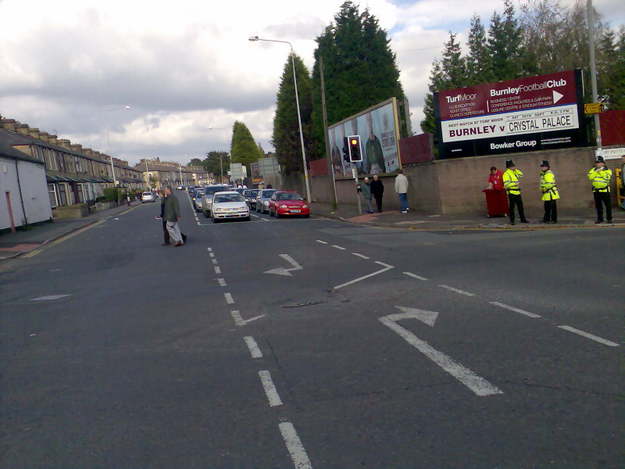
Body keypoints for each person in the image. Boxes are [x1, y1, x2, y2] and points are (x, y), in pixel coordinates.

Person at [587, 156, 612, 224]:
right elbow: (590, 177)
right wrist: (596, 172)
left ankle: (609, 219)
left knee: (608, 206)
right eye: (597, 163)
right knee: (598, 206)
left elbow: (606, 178)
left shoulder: (608, 170)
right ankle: (600, 219)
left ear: (603, 163)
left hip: (605, 191)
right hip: (596, 191)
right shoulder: (593, 170)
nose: (598, 164)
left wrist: (600, 172)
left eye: (600, 163)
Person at [502, 160, 528, 225]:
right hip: (511, 192)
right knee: (512, 207)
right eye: (513, 166)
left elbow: (521, 175)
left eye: (514, 166)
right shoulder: (506, 174)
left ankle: (523, 219)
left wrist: (516, 170)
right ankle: (512, 220)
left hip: (517, 192)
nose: (514, 167)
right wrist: (515, 183)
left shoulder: (514, 172)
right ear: (509, 167)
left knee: (520, 207)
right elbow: (506, 185)